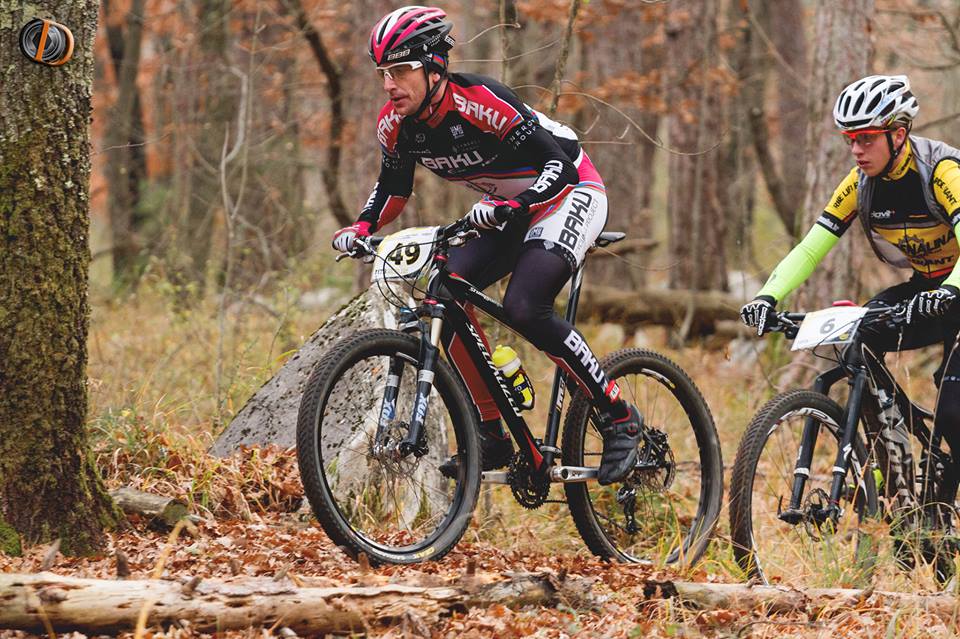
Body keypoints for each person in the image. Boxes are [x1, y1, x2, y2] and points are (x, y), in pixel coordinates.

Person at [331, 6, 642, 485]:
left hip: (570, 189)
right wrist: (362, 226)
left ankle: (618, 413)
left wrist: (517, 208)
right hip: (506, 208)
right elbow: (393, 188)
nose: (390, 84)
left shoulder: (479, 100)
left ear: (434, 68)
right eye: (383, 74)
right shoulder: (397, 124)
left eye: (400, 70)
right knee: (444, 289)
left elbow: (556, 165)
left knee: (525, 307)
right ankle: (491, 434)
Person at [740, 74, 960, 486]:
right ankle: (895, 474)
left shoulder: (942, 172)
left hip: (954, 287)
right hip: (927, 285)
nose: (856, 150)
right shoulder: (859, 186)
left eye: (866, 138)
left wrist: (949, 290)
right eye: (850, 140)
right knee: (862, 337)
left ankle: (946, 487)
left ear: (898, 133)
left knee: (953, 413)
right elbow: (809, 249)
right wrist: (767, 297)